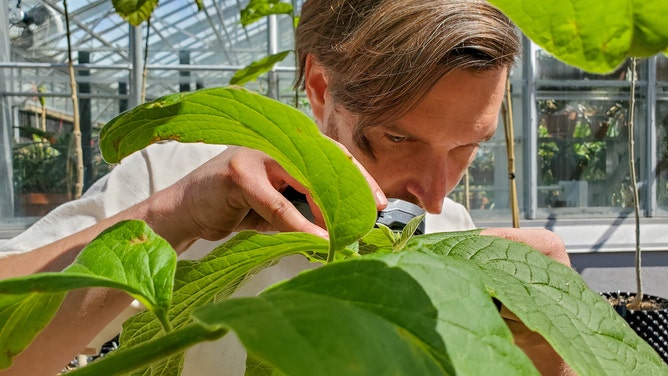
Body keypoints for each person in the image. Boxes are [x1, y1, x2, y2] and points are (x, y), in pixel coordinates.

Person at [0, 0, 572, 375]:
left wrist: (552, 348)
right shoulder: (182, 176)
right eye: (398, 138)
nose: (436, 195)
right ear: (321, 87)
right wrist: (174, 214)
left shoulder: (447, 231)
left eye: (467, 149)